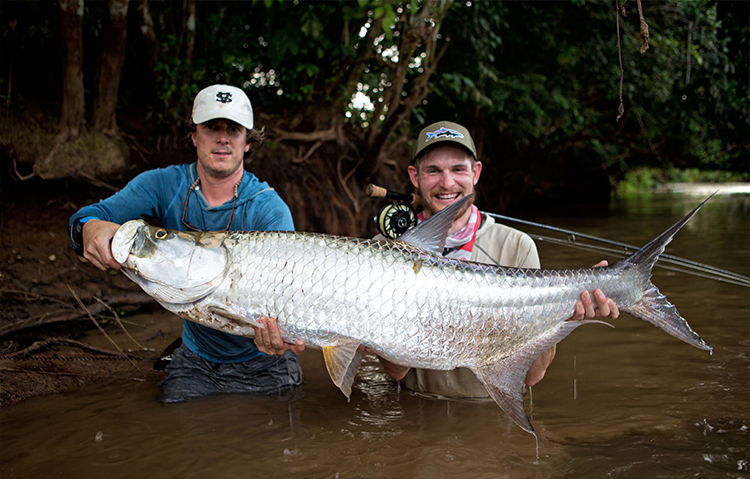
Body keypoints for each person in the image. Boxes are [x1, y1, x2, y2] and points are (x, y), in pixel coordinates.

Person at [254, 120, 620, 401]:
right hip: (415, 410)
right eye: (433, 171)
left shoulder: (516, 247)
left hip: (488, 411)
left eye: (458, 169)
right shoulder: (384, 251)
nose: (447, 183)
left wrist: (566, 320)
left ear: (475, 173)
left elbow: (532, 377)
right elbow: (397, 373)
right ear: (414, 178)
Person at [68, 84, 304, 403]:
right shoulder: (163, 184)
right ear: (194, 136)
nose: (222, 138)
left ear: (247, 141)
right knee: (176, 424)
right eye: (211, 127)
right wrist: (90, 229)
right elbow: (88, 217)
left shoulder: (270, 210)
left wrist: (285, 336)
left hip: (265, 362)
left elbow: (289, 298)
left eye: (233, 129)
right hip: (196, 360)